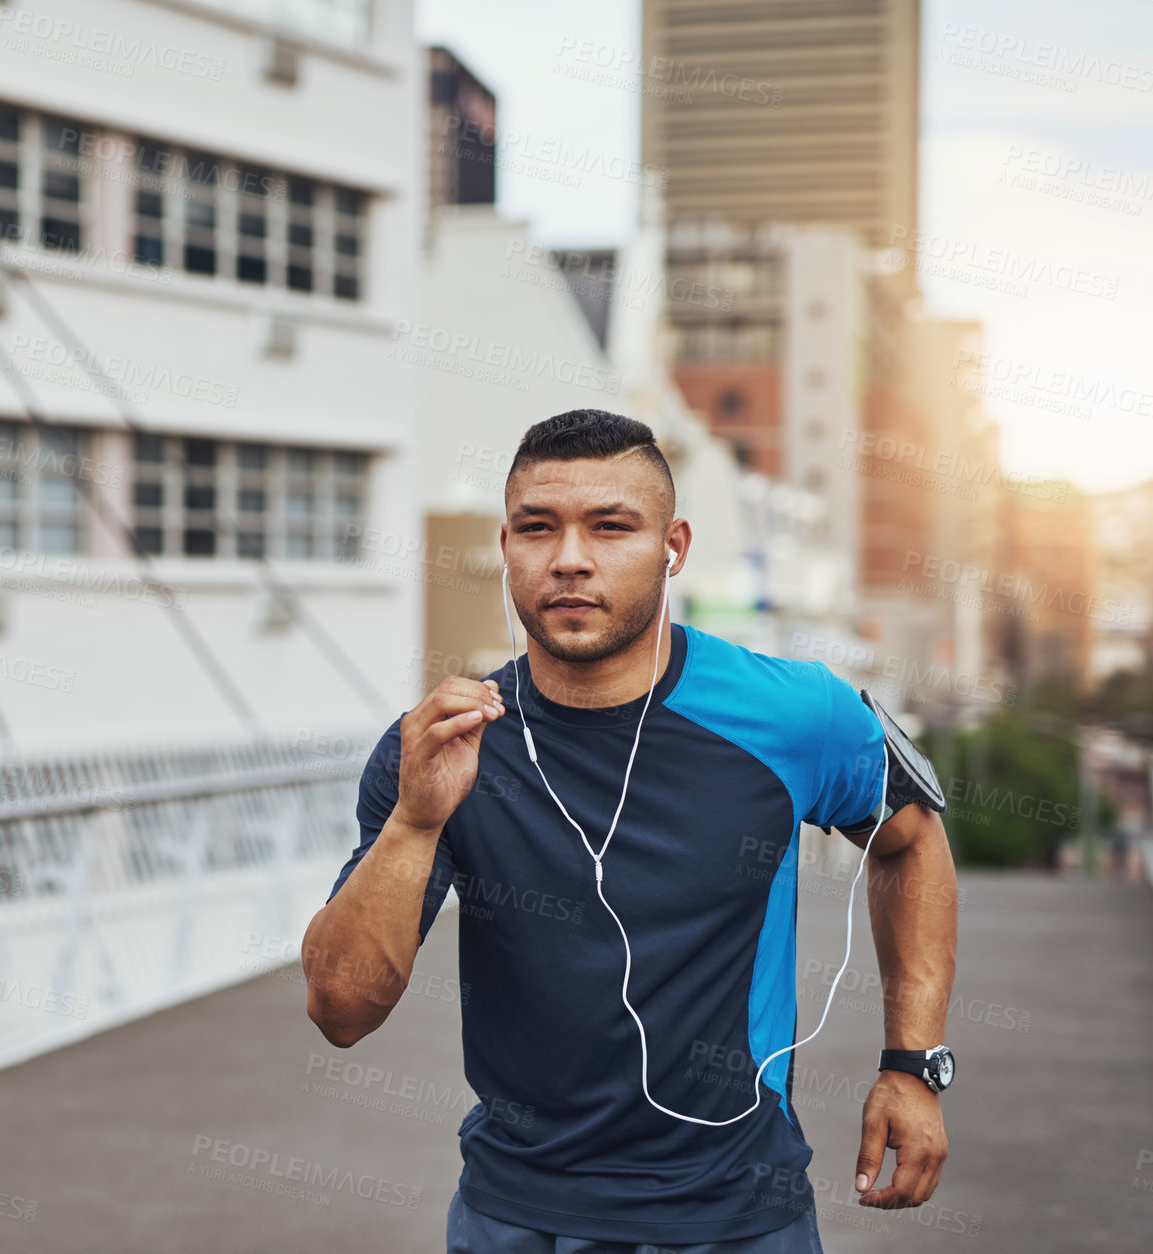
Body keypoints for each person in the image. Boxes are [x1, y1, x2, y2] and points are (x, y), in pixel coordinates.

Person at [302, 410, 958, 1253]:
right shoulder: (439, 747)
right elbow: (341, 1010)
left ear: (672, 547)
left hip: (737, 1213)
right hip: (516, 1214)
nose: (570, 558)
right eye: (539, 528)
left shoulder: (793, 712)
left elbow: (912, 838)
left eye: (611, 527)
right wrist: (415, 820)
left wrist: (913, 1064)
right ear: (506, 545)